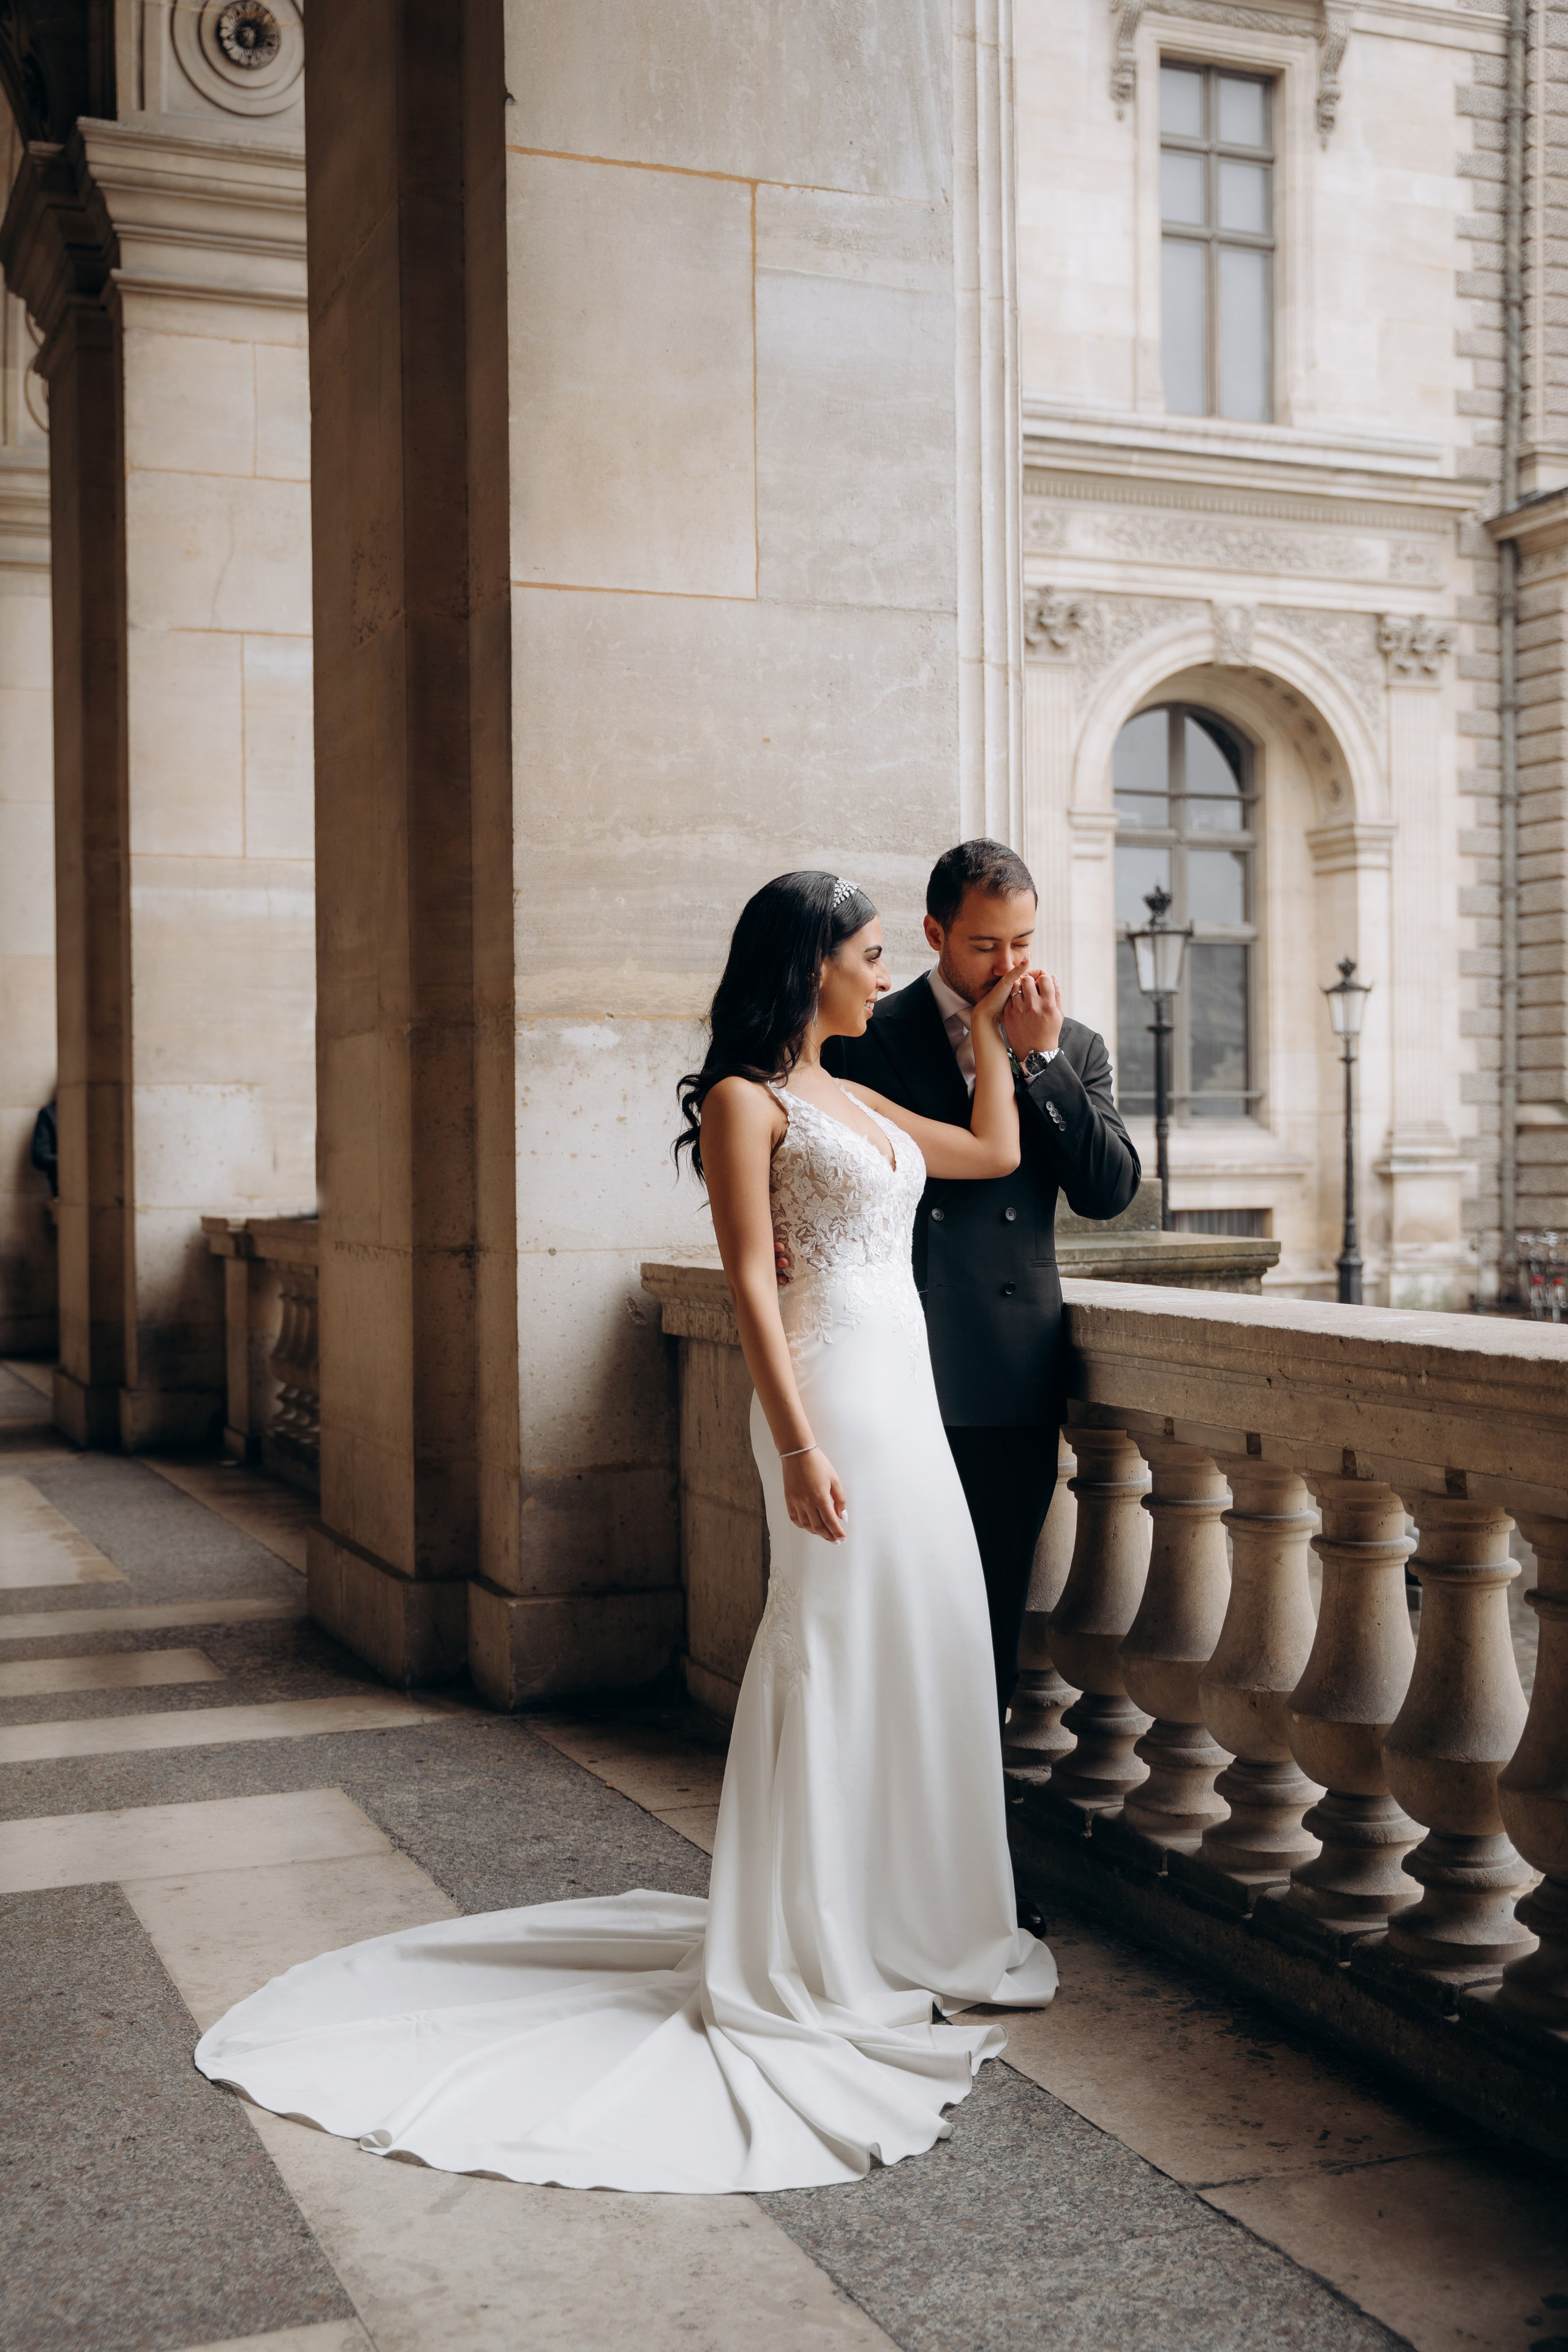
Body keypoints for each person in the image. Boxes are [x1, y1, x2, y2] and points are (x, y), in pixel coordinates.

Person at [194, 870, 1056, 2194]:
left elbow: (992, 1156)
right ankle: (807, 1941)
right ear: (805, 963)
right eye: (870, 955)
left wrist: (998, 1038)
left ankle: (912, 1922)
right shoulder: (744, 1101)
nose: (884, 975)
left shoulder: (856, 1095)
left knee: (926, 1636)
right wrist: (797, 1442)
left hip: (909, 1397)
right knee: (828, 1638)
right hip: (832, 1398)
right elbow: (753, 1281)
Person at [826, 840, 1140, 1731]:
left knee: (991, 1607)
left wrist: (1039, 1063)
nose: (1009, 966)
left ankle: (971, 1827)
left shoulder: (1072, 1044)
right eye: (985, 946)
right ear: (934, 933)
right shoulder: (864, 1037)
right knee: (889, 1606)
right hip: (892, 1360)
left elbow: (1109, 1191)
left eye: (1024, 944)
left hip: (1007, 1375)